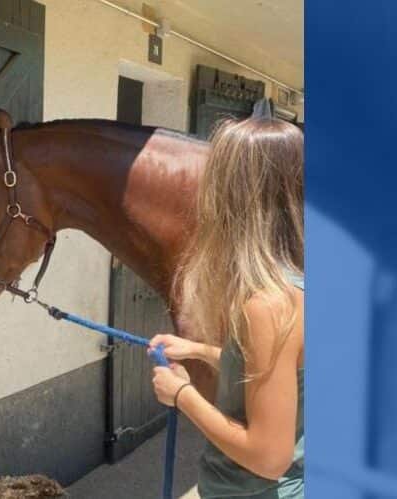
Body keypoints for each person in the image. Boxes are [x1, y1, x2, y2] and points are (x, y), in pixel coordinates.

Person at [150, 113, 305, 498]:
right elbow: (282, 379)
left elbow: (269, 458)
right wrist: (199, 351)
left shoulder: (269, 305)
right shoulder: (301, 284)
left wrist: (181, 394)